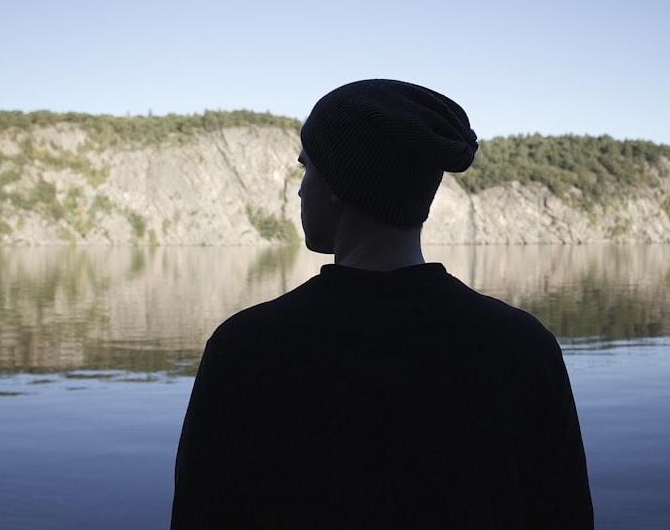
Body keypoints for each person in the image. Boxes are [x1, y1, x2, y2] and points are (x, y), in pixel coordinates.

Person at [171, 79, 593, 529]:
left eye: (306, 168)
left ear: (337, 181)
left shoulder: (244, 349)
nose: (299, 190)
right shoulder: (525, 348)